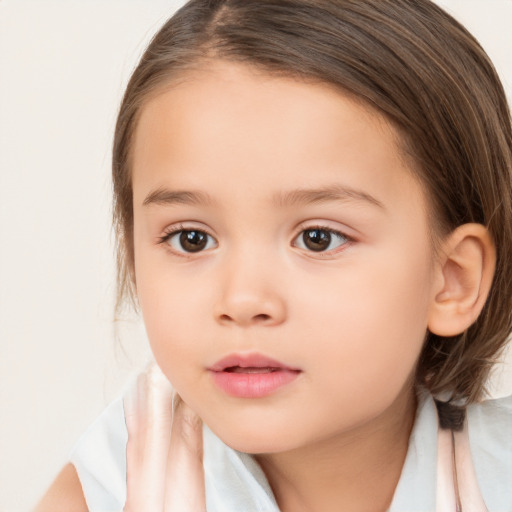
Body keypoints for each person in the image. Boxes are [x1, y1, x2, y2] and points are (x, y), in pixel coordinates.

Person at [35, 0, 512, 510]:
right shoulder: (114, 483)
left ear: (451, 279)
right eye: (190, 238)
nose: (242, 299)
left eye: (318, 238)